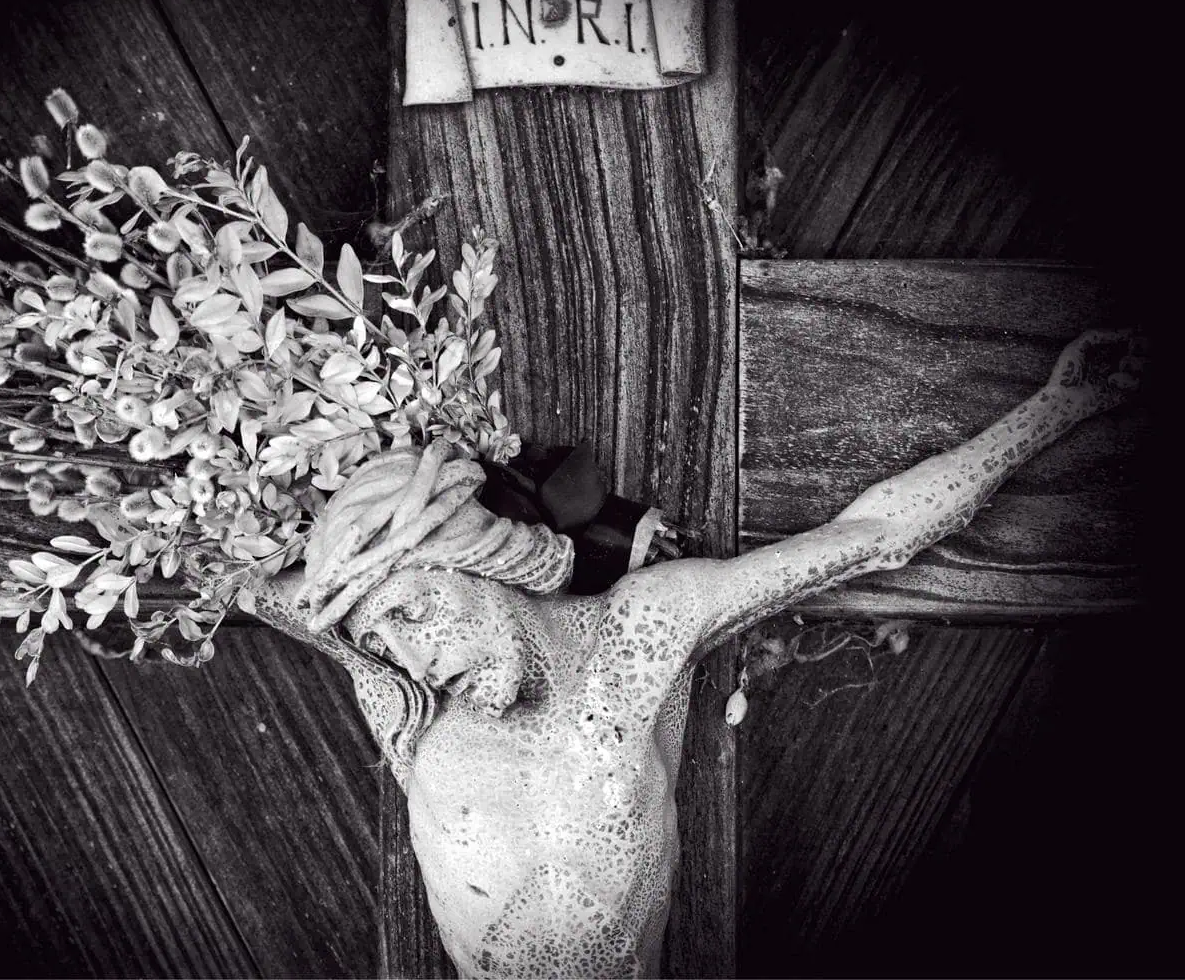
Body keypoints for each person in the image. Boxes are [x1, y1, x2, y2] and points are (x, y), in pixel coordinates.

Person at [239, 328, 1144, 978]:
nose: (409, 655)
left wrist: (1055, 409)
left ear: (475, 557)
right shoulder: (404, 699)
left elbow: (872, 536)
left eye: (413, 611)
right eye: (377, 640)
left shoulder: (641, 635)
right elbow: (236, 581)